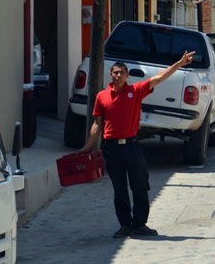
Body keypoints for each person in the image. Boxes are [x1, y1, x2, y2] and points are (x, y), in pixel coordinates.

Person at [79, 51, 195, 238]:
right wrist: (87, 146)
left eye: (121, 73)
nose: (118, 75)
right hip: (112, 149)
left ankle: (140, 224)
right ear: (111, 74)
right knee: (119, 189)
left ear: (127, 75)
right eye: (115, 72)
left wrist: (179, 64)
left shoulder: (136, 91)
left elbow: (159, 78)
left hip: (132, 147)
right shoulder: (102, 96)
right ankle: (125, 225)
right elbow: (97, 124)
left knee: (140, 186)